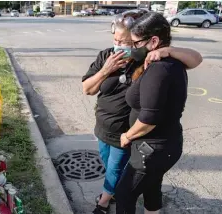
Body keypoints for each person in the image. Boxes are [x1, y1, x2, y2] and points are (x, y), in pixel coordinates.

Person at [81, 10, 202, 214]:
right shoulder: (106, 56)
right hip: (104, 127)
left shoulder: (146, 59)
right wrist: (105, 70)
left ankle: (104, 201)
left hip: (128, 133)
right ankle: (113, 195)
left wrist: (167, 51)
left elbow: (195, 58)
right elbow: (88, 89)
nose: (120, 46)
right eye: (116, 40)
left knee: (119, 176)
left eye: (128, 42)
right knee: (115, 169)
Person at [115, 12, 190, 214]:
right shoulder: (168, 62)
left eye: (136, 43)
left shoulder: (160, 69)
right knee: (151, 185)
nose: (133, 48)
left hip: (152, 149)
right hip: (159, 146)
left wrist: (127, 135)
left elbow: (149, 119)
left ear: (154, 40)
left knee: (124, 195)